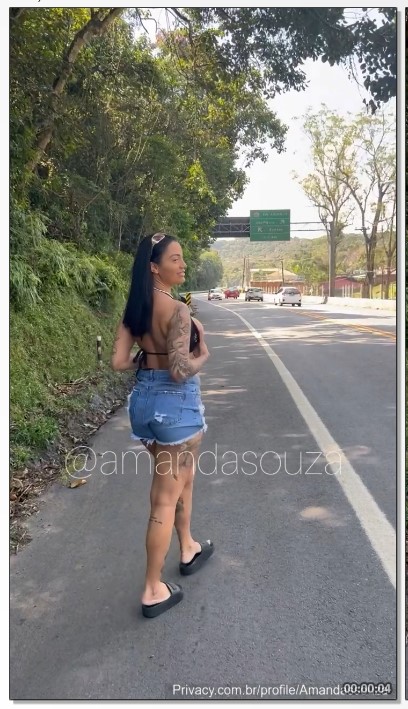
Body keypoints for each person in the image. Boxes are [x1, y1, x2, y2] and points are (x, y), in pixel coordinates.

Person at [112, 232, 215, 618]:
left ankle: (187, 546)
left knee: (181, 481)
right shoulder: (177, 310)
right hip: (176, 409)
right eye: (175, 259)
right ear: (155, 266)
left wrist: (146, 356)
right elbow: (180, 370)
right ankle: (153, 588)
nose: (182, 264)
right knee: (164, 498)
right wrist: (204, 354)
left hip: (144, 404)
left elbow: (120, 362)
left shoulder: (134, 309)